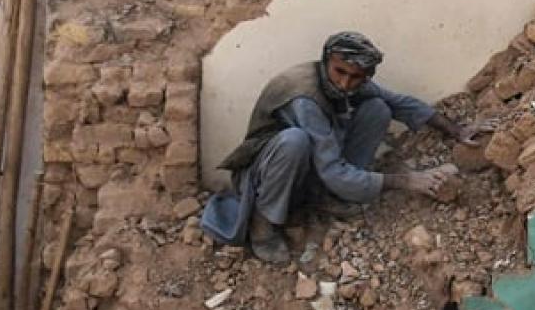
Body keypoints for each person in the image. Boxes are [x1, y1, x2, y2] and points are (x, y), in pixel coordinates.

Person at [200, 32, 488, 264]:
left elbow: (399, 102)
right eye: (339, 72)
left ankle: (333, 197)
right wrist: (407, 181)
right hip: (268, 172)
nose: (345, 83)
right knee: (295, 142)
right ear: (326, 61)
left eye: (356, 77)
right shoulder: (305, 97)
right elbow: (331, 168)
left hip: (313, 167)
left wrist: (455, 130)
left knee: (378, 108)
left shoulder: (352, 83)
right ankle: (263, 227)